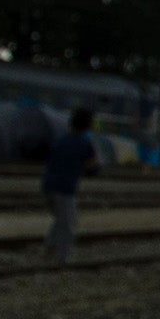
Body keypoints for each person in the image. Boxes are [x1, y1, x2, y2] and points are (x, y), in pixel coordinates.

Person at [41, 108, 101, 264]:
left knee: (60, 219)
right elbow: (93, 168)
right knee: (69, 223)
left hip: (48, 185)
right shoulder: (85, 143)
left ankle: (50, 246)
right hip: (65, 188)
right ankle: (62, 258)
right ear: (88, 126)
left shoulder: (60, 139)